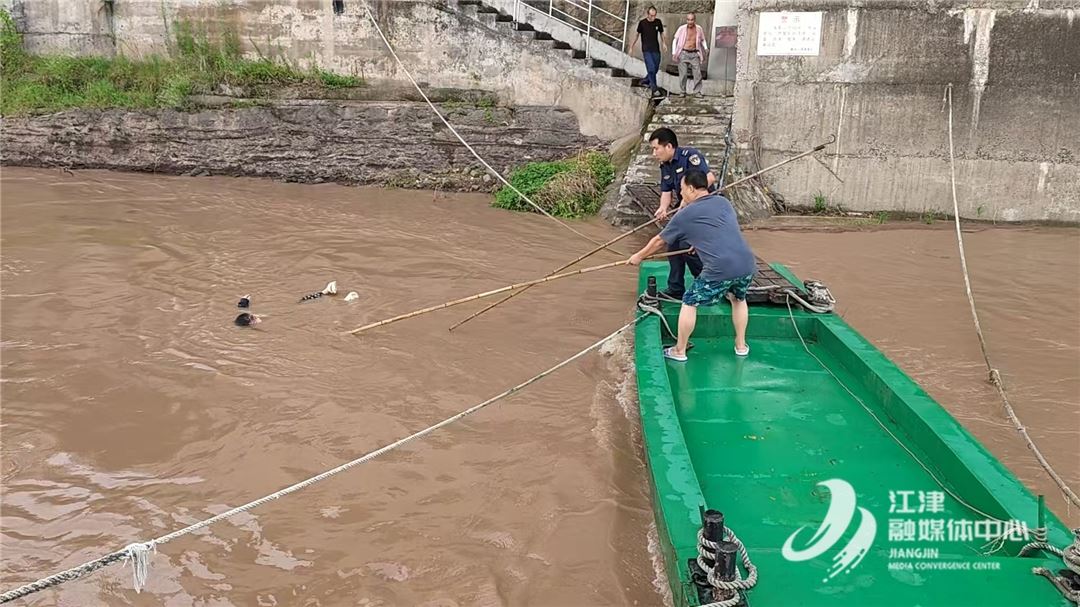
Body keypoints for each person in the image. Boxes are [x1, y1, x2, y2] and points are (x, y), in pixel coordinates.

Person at [628, 170, 756, 361]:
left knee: (689, 301)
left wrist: (638, 256)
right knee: (738, 299)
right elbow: (719, 229)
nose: (680, 194)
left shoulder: (685, 214)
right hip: (747, 264)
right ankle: (741, 346)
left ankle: (679, 351)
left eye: (681, 189)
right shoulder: (723, 202)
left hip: (720, 268)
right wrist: (698, 243)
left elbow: (659, 241)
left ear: (690, 188)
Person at [649, 127, 716, 300]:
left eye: (656, 148)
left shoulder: (689, 156)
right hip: (686, 206)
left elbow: (709, 179)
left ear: (669, 146)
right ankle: (676, 288)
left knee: (687, 245)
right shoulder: (665, 166)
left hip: (704, 206)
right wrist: (663, 208)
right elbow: (666, 191)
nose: (654, 153)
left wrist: (688, 198)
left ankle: (705, 284)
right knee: (672, 243)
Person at [629, 6, 665, 97]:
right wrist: (631, 47)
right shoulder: (642, 23)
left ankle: (645, 80)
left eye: (654, 15)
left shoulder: (658, 22)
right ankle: (654, 88)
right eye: (651, 15)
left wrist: (664, 43)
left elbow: (661, 33)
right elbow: (637, 35)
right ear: (647, 14)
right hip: (646, 49)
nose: (653, 17)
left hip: (656, 49)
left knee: (655, 68)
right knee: (651, 68)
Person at [672, 12, 708, 97]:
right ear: (686, 20)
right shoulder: (681, 28)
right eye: (688, 19)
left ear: (694, 20)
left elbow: (702, 39)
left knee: (697, 74)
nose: (690, 22)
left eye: (692, 20)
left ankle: (697, 91)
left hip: (694, 53)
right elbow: (675, 40)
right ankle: (682, 91)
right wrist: (674, 52)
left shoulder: (699, 29)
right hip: (683, 53)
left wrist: (705, 48)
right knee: (683, 74)